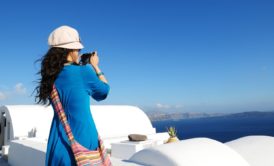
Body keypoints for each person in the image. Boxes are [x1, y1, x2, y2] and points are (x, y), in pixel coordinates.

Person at [34, 25, 110, 165]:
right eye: (78, 49)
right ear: (71, 50)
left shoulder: (50, 76)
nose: (79, 52)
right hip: (82, 141)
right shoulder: (84, 72)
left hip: (57, 142)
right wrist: (96, 66)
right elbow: (104, 92)